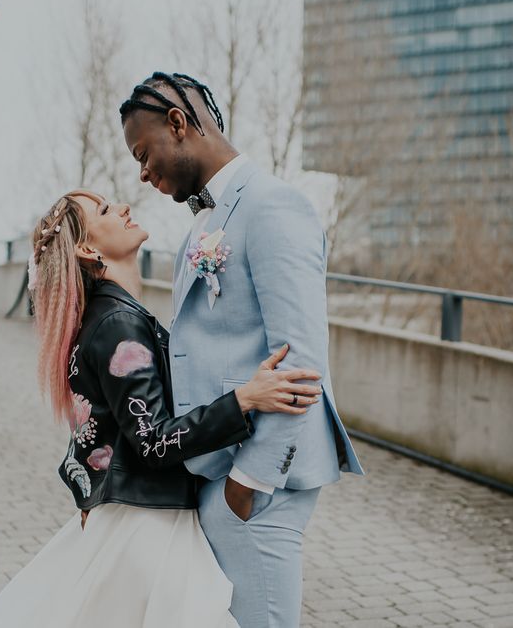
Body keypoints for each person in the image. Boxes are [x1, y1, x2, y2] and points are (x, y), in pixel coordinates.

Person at [0, 189, 324, 628]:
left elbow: (99, 426)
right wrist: (244, 400)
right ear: (86, 248)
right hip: (152, 526)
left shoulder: (104, 318)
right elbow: (153, 441)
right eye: (104, 210)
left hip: (134, 515)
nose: (122, 207)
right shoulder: (118, 324)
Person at [119, 72, 365, 628]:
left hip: (256, 487)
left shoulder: (275, 206)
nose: (142, 172)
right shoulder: (203, 223)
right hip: (219, 473)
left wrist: (247, 486)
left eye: (143, 152)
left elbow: (300, 362)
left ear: (178, 125)